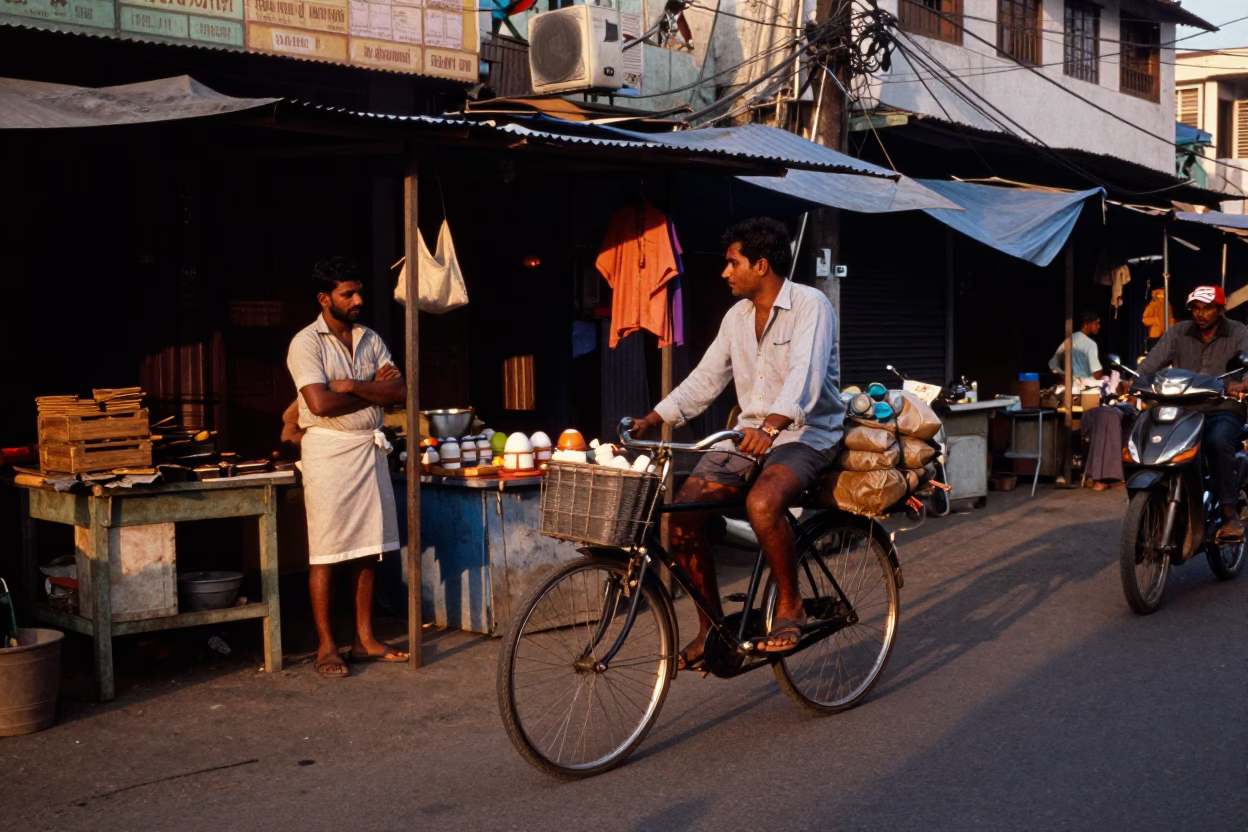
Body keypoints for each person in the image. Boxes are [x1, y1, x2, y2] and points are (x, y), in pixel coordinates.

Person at [629, 218, 844, 667]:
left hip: (806, 434)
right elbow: (706, 379)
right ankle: (712, 630)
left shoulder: (812, 305)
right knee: (684, 514)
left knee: (763, 503)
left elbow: (804, 380)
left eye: (733, 263)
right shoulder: (736, 318)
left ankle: (790, 605)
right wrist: (655, 416)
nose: (725, 272)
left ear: (761, 265)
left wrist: (770, 428)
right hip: (748, 436)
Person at [287, 256, 410, 678]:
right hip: (328, 452)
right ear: (325, 299)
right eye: (348, 294)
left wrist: (355, 386)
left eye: (359, 292)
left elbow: (401, 391)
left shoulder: (370, 337)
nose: (358, 300)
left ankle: (364, 639)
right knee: (326, 551)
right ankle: (326, 645)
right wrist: (376, 391)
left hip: (366, 449)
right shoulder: (306, 343)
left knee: (368, 549)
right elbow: (319, 404)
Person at [1137, 285, 1248, 542]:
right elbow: (1152, 363)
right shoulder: (1178, 331)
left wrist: (1242, 384)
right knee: (1151, 436)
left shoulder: (1239, 333)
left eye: (1207, 308)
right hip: (1182, 410)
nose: (1200, 314)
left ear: (1220, 309)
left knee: (1218, 441)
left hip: (1223, 408)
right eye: (1196, 308)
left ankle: (1229, 514)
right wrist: (1134, 380)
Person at [1049, 311, 1103, 382]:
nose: (1099, 327)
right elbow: (1097, 374)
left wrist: (1067, 379)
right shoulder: (1091, 344)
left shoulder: (1068, 340)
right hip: (1086, 389)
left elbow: (1052, 365)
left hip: (1070, 388)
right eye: (1096, 323)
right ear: (1086, 324)